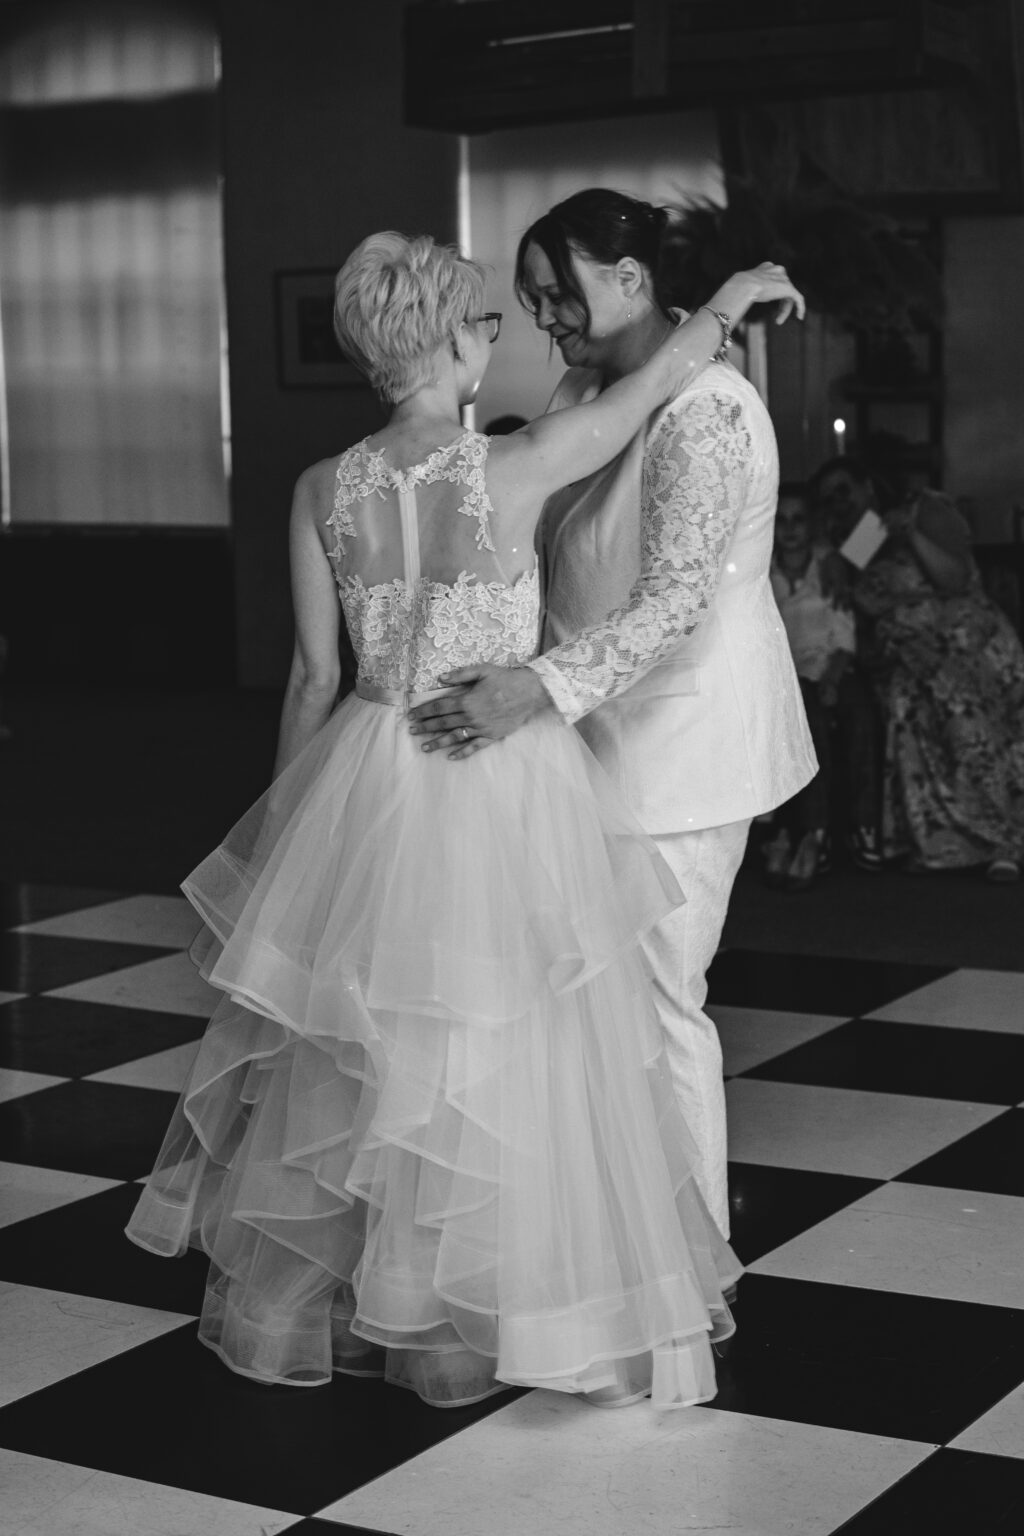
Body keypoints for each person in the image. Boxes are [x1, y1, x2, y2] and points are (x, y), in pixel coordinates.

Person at [126, 231, 803, 1410]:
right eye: (487, 322)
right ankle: (498, 1308)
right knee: (512, 1039)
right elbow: (653, 381)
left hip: (369, 776)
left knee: (381, 1050)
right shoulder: (514, 467)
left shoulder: (317, 488)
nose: (500, 337)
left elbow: (306, 679)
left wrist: (293, 840)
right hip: (497, 772)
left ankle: (401, 1301)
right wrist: (733, 296)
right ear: (445, 340)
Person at [409, 190, 817, 1237]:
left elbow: (676, 600)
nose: (544, 317)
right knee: (587, 1001)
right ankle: (605, 1237)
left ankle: (687, 1255)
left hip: (684, 744)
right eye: (531, 299)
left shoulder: (712, 411)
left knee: (656, 1001)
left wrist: (532, 689)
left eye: (560, 294)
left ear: (631, 279)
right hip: (587, 737)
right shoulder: (589, 383)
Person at [819, 463, 1024, 881]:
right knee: (905, 700)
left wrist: (910, 533)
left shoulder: (924, 511)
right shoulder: (856, 542)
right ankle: (948, 843)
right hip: (908, 658)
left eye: (844, 490)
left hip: (967, 642)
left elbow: (956, 578)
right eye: (828, 499)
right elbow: (855, 611)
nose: (838, 504)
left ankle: (1006, 838)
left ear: (868, 484)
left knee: (960, 702)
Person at [765, 482, 881, 890]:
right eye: (781, 520)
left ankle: (865, 826)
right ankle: (815, 833)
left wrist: (832, 676)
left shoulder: (836, 564)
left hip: (830, 664)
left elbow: (843, 635)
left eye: (799, 520)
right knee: (807, 715)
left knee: (859, 712)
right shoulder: (761, 572)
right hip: (783, 673)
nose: (790, 529)